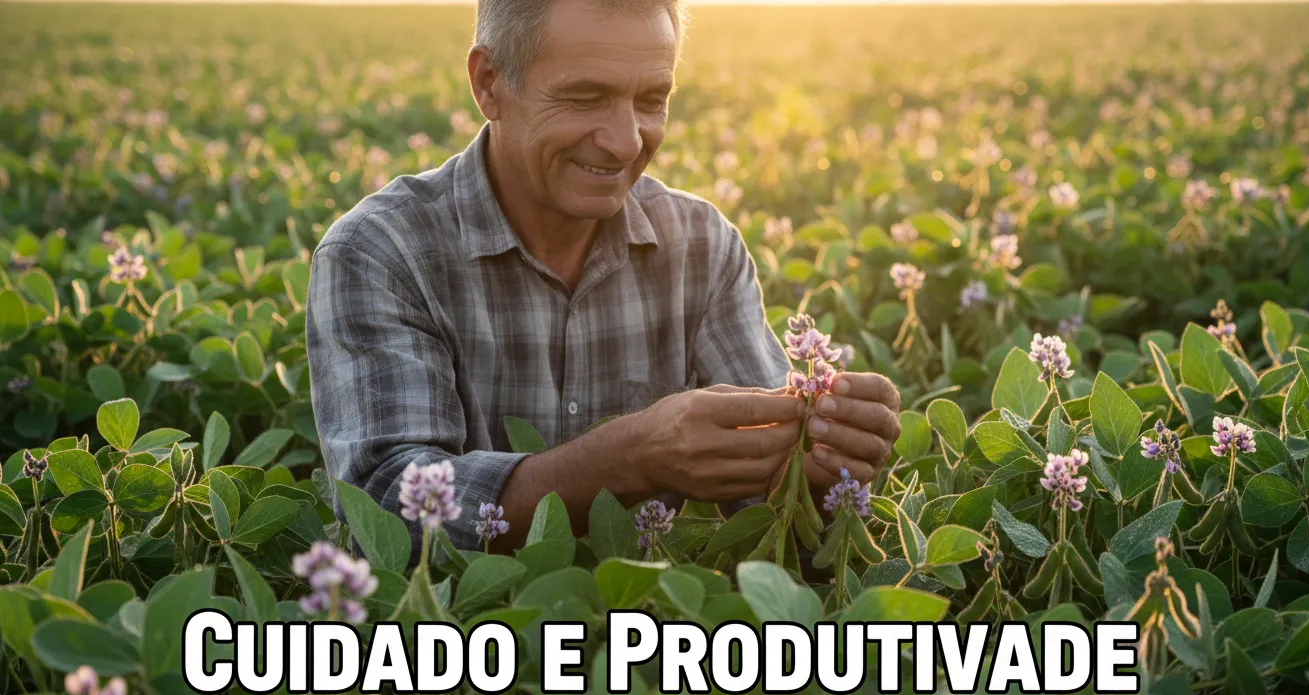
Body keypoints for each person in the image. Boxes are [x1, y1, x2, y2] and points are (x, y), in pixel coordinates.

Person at [305, 0, 902, 554]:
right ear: (489, 83)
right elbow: (386, 512)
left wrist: (816, 465)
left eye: (651, 100)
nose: (626, 141)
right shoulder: (382, 251)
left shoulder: (702, 245)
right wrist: (628, 458)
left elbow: (771, 509)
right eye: (585, 98)